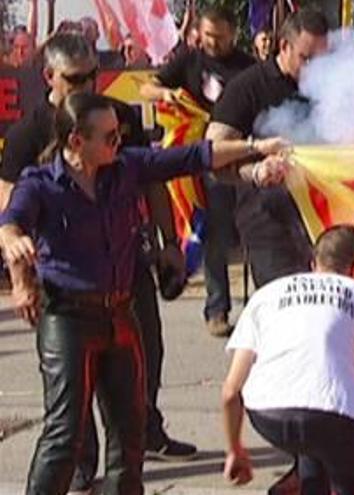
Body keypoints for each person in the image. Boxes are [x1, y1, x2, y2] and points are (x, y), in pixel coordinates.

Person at [0, 92, 290, 495]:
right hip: (68, 317)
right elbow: (10, 223)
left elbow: (195, 156)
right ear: (75, 142)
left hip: (120, 314)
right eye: (109, 137)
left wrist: (256, 147)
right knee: (65, 434)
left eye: (118, 135)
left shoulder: (126, 168)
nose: (118, 143)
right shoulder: (41, 185)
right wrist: (16, 259)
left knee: (129, 431)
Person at [0, 34, 199, 489]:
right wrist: (21, 278)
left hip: (125, 268)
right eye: (76, 77)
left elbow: (155, 174)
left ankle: (146, 432)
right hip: (66, 289)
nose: (89, 82)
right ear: (49, 77)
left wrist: (169, 242)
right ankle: (80, 465)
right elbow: (10, 210)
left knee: (143, 359)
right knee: (69, 410)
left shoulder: (118, 116)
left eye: (93, 73)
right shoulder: (28, 133)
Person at [221, 224, 354, 493]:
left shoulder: (267, 295)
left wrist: (235, 450)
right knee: (344, 466)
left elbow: (229, 392)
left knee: (314, 444)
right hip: (336, 419)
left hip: (269, 417)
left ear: (313, 262)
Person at [141, 7, 256, 337]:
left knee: (255, 228)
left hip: (244, 155)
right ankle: (217, 307)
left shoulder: (248, 67)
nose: (213, 43)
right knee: (215, 233)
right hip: (207, 160)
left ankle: (262, 308)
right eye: (207, 36)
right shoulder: (190, 61)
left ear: (233, 33)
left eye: (219, 37)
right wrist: (166, 93)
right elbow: (147, 88)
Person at [206, 10, 328, 290]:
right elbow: (213, 154)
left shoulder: (329, 87)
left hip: (323, 220)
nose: (315, 70)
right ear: (284, 46)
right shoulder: (248, 87)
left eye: (323, 61)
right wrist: (255, 169)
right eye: (306, 59)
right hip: (269, 224)